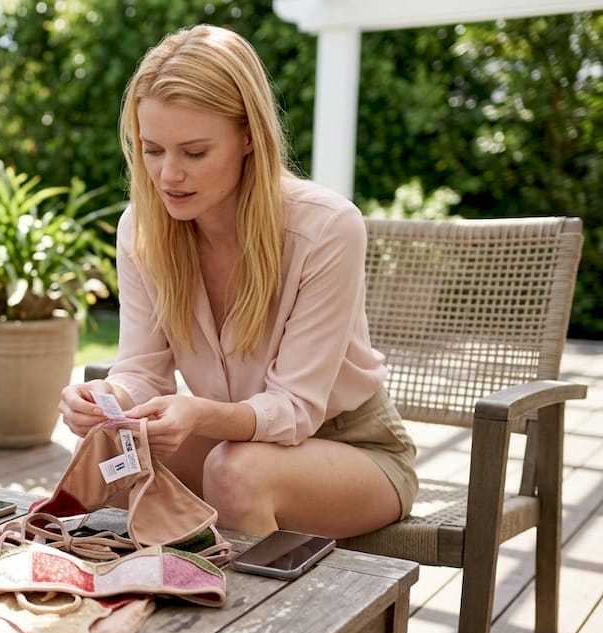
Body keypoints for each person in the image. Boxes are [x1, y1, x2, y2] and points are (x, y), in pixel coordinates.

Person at [59, 25, 417, 539]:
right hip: (229, 444)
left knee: (236, 473)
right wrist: (106, 396)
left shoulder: (327, 228)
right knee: (111, 451)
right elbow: (143, 371)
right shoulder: (141, 229)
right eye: (152, 150)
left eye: (195, 152)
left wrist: (199, 413)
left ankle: (253, 618)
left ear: (248, 135)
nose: (168, 176)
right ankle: (143, 599)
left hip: (353, 448)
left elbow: (294, 408)